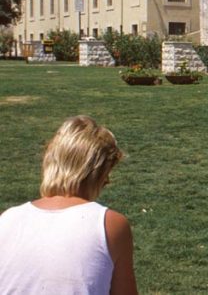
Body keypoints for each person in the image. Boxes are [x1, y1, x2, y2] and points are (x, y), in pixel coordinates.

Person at [0, 115, 137, 294]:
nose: (108, 181)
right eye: (106, 172)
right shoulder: (109, 225)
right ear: (94, 172)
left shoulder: (8, 219)